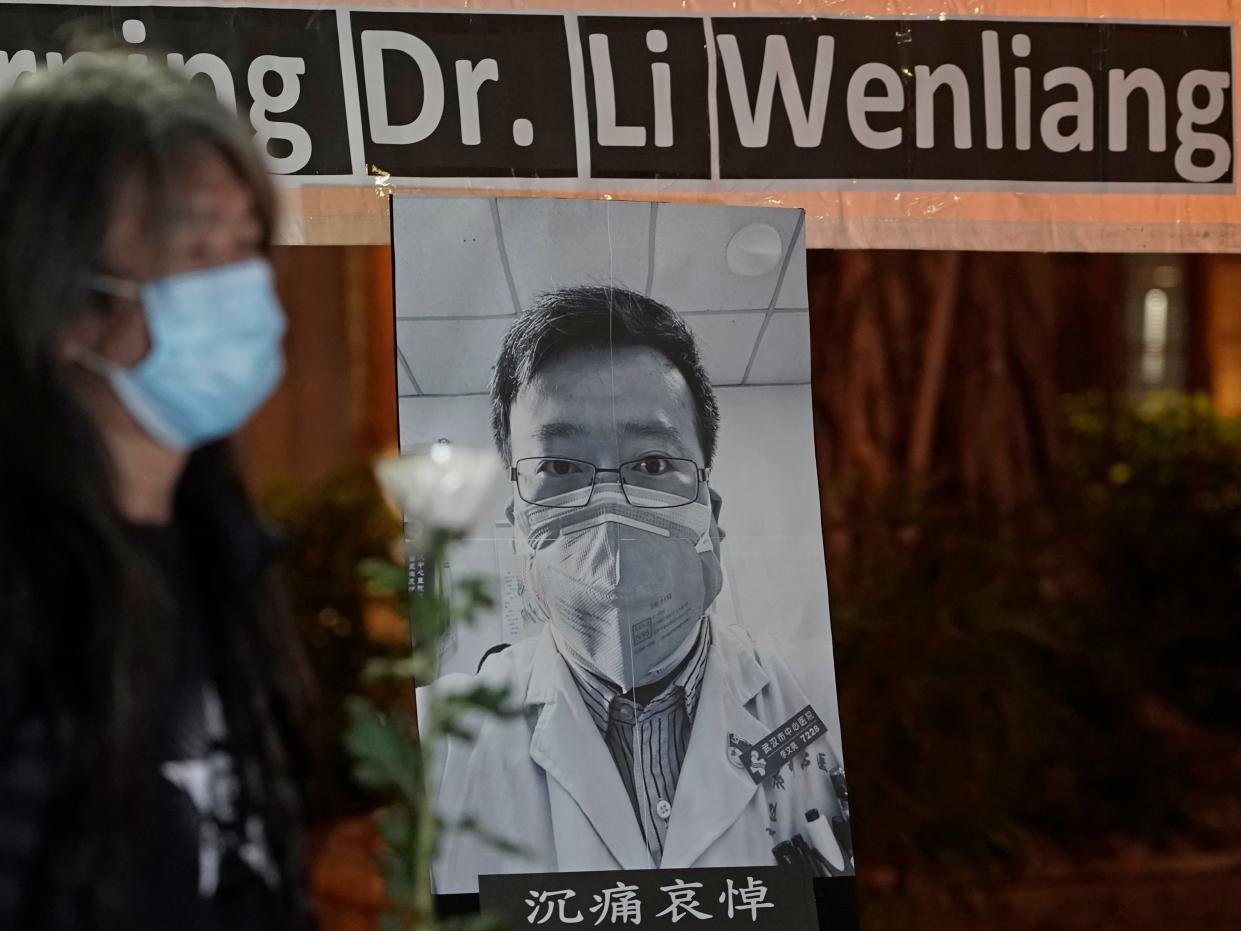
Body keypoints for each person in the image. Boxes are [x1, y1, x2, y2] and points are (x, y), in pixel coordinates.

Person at [0, 53, 315, 929]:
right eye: (194, 247)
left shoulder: (221, 554)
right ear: (65, 299)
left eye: (246, 244)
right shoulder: (25, 588)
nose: (240, 285)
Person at [424, 285, 852, 893]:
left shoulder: (830, 706)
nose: (609, 507)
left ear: (711, 512)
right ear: (518, 527)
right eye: (561, 467)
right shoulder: (430, 745)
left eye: (652, 464)